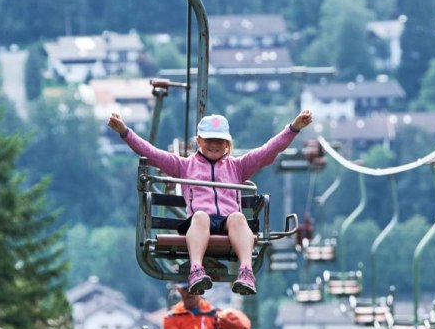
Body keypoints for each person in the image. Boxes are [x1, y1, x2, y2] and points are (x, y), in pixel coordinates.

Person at [107, 109, 313, 295]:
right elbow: (152, 154)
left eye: (219, 141)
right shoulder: (184, 166)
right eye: (209, 140)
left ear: (227, 144)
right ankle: (196, 270)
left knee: (238, 217)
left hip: (227, 224)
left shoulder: (238, 167)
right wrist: (125, 132)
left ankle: (246, 271)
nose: (214, 144)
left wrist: (293, 129)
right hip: (200, 223)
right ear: (198, 141)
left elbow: (267, 152)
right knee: (201, 216)